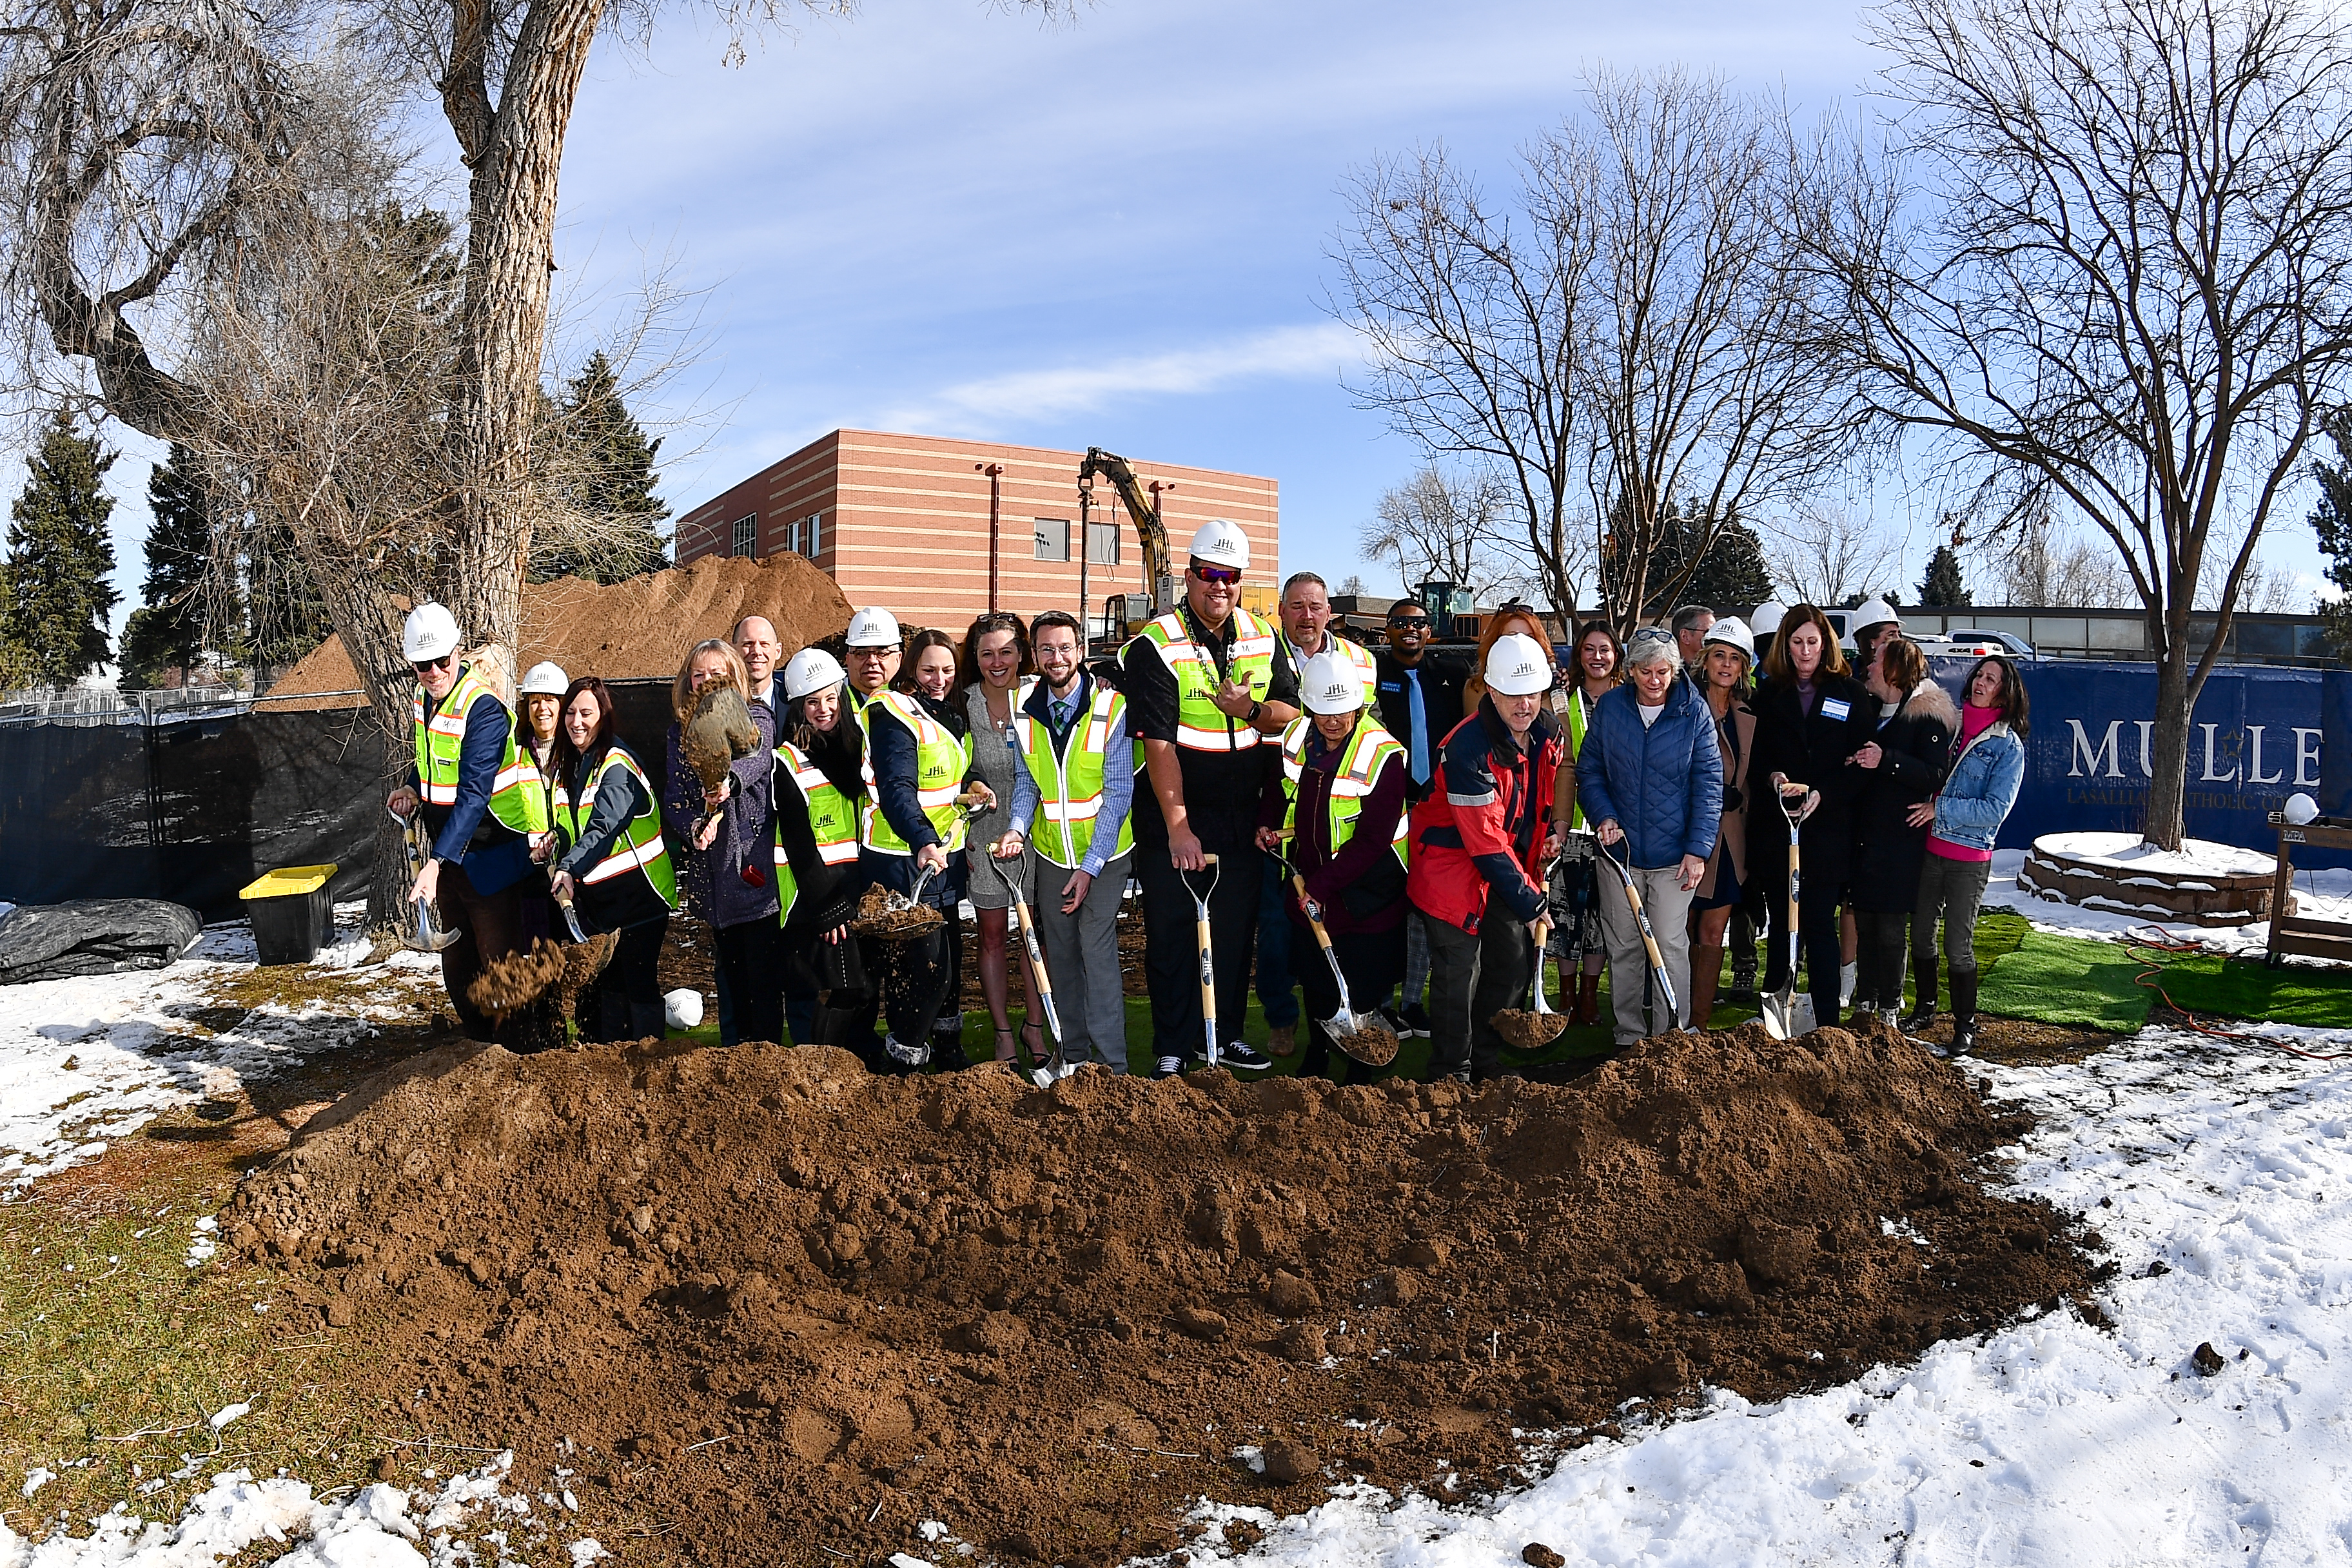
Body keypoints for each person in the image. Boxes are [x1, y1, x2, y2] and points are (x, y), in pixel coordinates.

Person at [1121, 519, 1298, 1077]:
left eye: (1230, 576)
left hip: (1241, 814)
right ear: (1189, 576)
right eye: (1208, 575)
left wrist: (1247, 710)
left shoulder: (1262, 635)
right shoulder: (1155, 644)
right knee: (1173, 933)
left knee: (1233, 933)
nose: (1219, 587)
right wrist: (1178, 826)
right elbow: (1158, 742)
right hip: (1175, 816)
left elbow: (1289, 711)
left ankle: (1223, 1036)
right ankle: (1173, 1043)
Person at [385, 602, 551, 1044]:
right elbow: (433, 762)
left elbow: (474, 793)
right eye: (423, 665)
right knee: (458, 963)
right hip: (451, 858)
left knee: (501, 965)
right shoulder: (425, 700)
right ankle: (477, 1049)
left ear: (459, 653)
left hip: (490, 856)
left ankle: (521, 1052)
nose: (434, 671)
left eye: (442, 660)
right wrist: (411, 788)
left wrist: (435, 863)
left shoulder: (484, 711)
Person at [1407, 632, 1563, 1084]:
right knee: (1460, 971)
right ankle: (1450, 1071)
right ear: (1491, 692)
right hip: (1449, 869)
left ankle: (1485, 1058)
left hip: (1502, 865)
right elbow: (1484, 841)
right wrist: (1532, 902)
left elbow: (1530, 807)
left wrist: (1540, 845)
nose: (1524, 705)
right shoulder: (1466, 749)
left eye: (1532, 693)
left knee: (1513, 961)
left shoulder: (1546, 735)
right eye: (1513, 695)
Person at [1255, 650, 1409, 1082]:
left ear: (1359, 705)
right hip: (1311, 879)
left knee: (1361, 982)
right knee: (1318, 977)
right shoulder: (1294, 738)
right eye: (1323, 712)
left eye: (1343, 712)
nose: (1333, 722)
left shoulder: (1384, 755)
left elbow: (1374, 839)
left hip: (1368, 889)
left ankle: (1363, 1070)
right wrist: (1267, 824)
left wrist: (1321, 887)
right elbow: (1277, 787)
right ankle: (1319, 1053)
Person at [995, 611, 1136, 1072]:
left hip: (1105, 855)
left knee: (1096, 955)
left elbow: (1118, 793)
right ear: (1035, 655)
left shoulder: (1110, 708)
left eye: (1065, 648)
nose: (1057, 658)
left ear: (1081, 651)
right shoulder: (1023, 707)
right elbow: (1027, 780)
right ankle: (1073, 1058)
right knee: (1061, 958)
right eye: (1047, 649)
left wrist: (1090, 865)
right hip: (1052, 854)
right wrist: (1017, 826)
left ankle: (1112, 1067)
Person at [1574, 627, 1723, 1048]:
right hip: (1619, 854)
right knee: (1624, 946)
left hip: (1674, 857)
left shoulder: (1693, 712)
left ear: (1675, 670)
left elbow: (1709, 783)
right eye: (1644, 671)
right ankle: (1628, 1036)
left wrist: (1697, 851)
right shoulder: (1611, 709)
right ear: (1630, 670)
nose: (1654, 681)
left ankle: (1670, 1037)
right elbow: (1590, 771)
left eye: (1663, 671)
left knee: (1670, 945)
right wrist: (1602, 815)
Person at [1258, 572, 1378, 1056]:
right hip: (1284, 814)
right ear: (1282, 611)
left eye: (1316, 606)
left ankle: (1347, 1014)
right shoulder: (1261, 654)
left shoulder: (1360, 660)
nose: (1307, 616)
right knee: (1277, 930)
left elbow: (1372, 730)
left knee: (1344, 927)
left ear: (1330, 612)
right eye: (1297, 606)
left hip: (1343, 822)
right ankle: (1281, 1017)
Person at [859, 624, 989, 1070]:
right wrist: (923, 840)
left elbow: (960, 768)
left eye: (948, 669)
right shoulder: (893, 711)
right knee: (922, 970)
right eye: (930, 669)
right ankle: (904, 1061)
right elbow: (897, 789)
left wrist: (976, 786)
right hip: (903, 860)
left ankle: (947, 1049)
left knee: (948, 962)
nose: (940, 677)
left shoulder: (951, 711)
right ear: (912, 669)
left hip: (943, 861)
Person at [1749, 603, 1877, 1034]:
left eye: (1813, 642)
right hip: (1778, 833)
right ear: (1785, 645)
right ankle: (1775, 1019)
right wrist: (1774, 777)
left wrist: (1826, 792)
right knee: (1783, 928)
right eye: (1797, 642)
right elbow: (1758, 758)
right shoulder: (1768, 696)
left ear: (1826, 645)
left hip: (1827, 833)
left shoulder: (1851, 694)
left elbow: (1862, 762)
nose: (1805, 651)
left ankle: (1827, 1027)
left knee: (1820, 926)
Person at [1905, 654, 2028, 1055]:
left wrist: (1940, 808)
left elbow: (1995, 810)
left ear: (2005, 694)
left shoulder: (2007, 747)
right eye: (1979, 675)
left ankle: (1965, 1024)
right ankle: (1925, 1007)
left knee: (1958, 943)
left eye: (1991, 679)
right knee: (1921, 934)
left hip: (1968, 858)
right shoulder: (1951, 726)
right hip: (1928, 849)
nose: (1980, 682)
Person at [662, 638, 780, 1049]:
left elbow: (757, 758)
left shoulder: (755, 716)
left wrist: (728, 783)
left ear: (735, 676)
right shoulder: (680, 734)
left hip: (752, 865)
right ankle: (733, 1056)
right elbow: (675, 797)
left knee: (761, 975)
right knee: (728, 974)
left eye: (717, 673)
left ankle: (764, 1055)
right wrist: (695, 825)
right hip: (712, 875)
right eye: (699, 675)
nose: (707, 681)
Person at [544, 675, 677, 1042]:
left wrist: (569, 867)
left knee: (637, 981)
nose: (576, 722)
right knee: (610, 985)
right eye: (570, 712)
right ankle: (611, 1067)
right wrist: (554, 842)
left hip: (642, 896)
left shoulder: (616, 766)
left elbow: (604, 828)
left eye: (586, 713)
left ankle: (650, 1061)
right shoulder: (570, 766)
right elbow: (575, 826)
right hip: (607, 901)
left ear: (603, 716)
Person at [1847, 635, 1957, 1028]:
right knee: (1865, 925)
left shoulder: (1925, 717)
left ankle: (1889, 1010)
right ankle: (1866, 1001)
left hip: (1899, 842)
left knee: (1892, 928)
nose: (1868, 667)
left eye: (1876, 661)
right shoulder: (1871, 709)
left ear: (1894, 670)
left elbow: (1934, 773)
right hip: (1865, 839)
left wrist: (1886, 760)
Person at [1371, 598, 1465, 1041]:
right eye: (1401, 623)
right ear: (1387, 631)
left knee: (1425, 908)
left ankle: (1412, 1003)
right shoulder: (1373, 676)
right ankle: (1383, 1003)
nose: (1411, 630)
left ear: (1430, 631)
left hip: (1436, 807)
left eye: (1420, 623)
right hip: (1389, 806)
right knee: (1389, 906)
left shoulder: (1449, 675)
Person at [770, 647, 871, 1058]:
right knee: (838, 989)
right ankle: (818, 1068)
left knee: (860, 988)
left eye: (832, 698)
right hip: (815, 899)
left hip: (856, 891)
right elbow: (798, 845)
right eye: (813, 702)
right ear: (799, 708)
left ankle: (851, 1067)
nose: (825, 709)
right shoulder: (787, 761)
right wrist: (828, 910)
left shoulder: (856, 750)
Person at [958, 611, 1047, 1067]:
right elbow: (955, 767)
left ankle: (1036, 1027)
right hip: (987, 834)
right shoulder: (964, 704)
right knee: (992, 936)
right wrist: (971, 788)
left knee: (1037, 937)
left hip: (1039, 833)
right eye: (987, 653)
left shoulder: (1040, 695)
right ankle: (1003, 1035)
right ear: (975, 658)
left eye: (1007, 652)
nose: (998, 662)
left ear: (1021, 654)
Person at [1548, 620, 1622, 1026]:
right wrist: (1559, 822)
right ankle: (1568, 995)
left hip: (1616, 828)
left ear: (1616, 656)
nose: (1598, 656)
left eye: (1605, 649)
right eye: (1590, 649)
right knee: (1567, 914)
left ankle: (1592, 998)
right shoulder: (1562, 700)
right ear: (1579, 654)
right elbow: (1563, 766)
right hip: (1574, 827)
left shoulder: (1629, 699)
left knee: (1601, 917)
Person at [1686, 618, 1757, 1030]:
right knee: (1682, 929)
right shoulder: (1683, 703)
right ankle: (1674, 1017)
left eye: (1735, 658)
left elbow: (1753, 773)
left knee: (1714, 930)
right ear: (1706, 659)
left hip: (1730, 838)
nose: (1726, 665)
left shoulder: (1748, 712)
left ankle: (1700, 1021)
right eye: (1719, 656)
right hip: (1688, 834)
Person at [514, 660, 569, 948]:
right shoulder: (513, 754)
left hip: (573, 866)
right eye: (535, 701)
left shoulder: (577, 754)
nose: (542, 708)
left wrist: (560, 837)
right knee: (539, 953)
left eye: (550, 700)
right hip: (530, 872)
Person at [1460, 603, 1556, 710]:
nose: (1521, 643)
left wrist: (1558, 690)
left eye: (1529, 637)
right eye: (1512, 636)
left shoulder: (1549, 686)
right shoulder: (1476, 687)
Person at [843, 607, 903, 712]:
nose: (872, 661)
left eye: (882, 654)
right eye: (861, 653)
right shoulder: (830, 706)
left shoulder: (916, 703)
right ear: (848, 660)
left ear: (898, 659)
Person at [736, 614, 784, 714]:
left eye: (764, 644)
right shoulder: (719, 702)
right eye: (748, 644)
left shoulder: (795, 700)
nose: (757, 651)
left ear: (778, 651)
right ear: (733, 650)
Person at [1670, 604, 1716, 677]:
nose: (1715, 637)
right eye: (1707, 632)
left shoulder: (1717, 671)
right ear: (1685, 637)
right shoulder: (1668, 675)